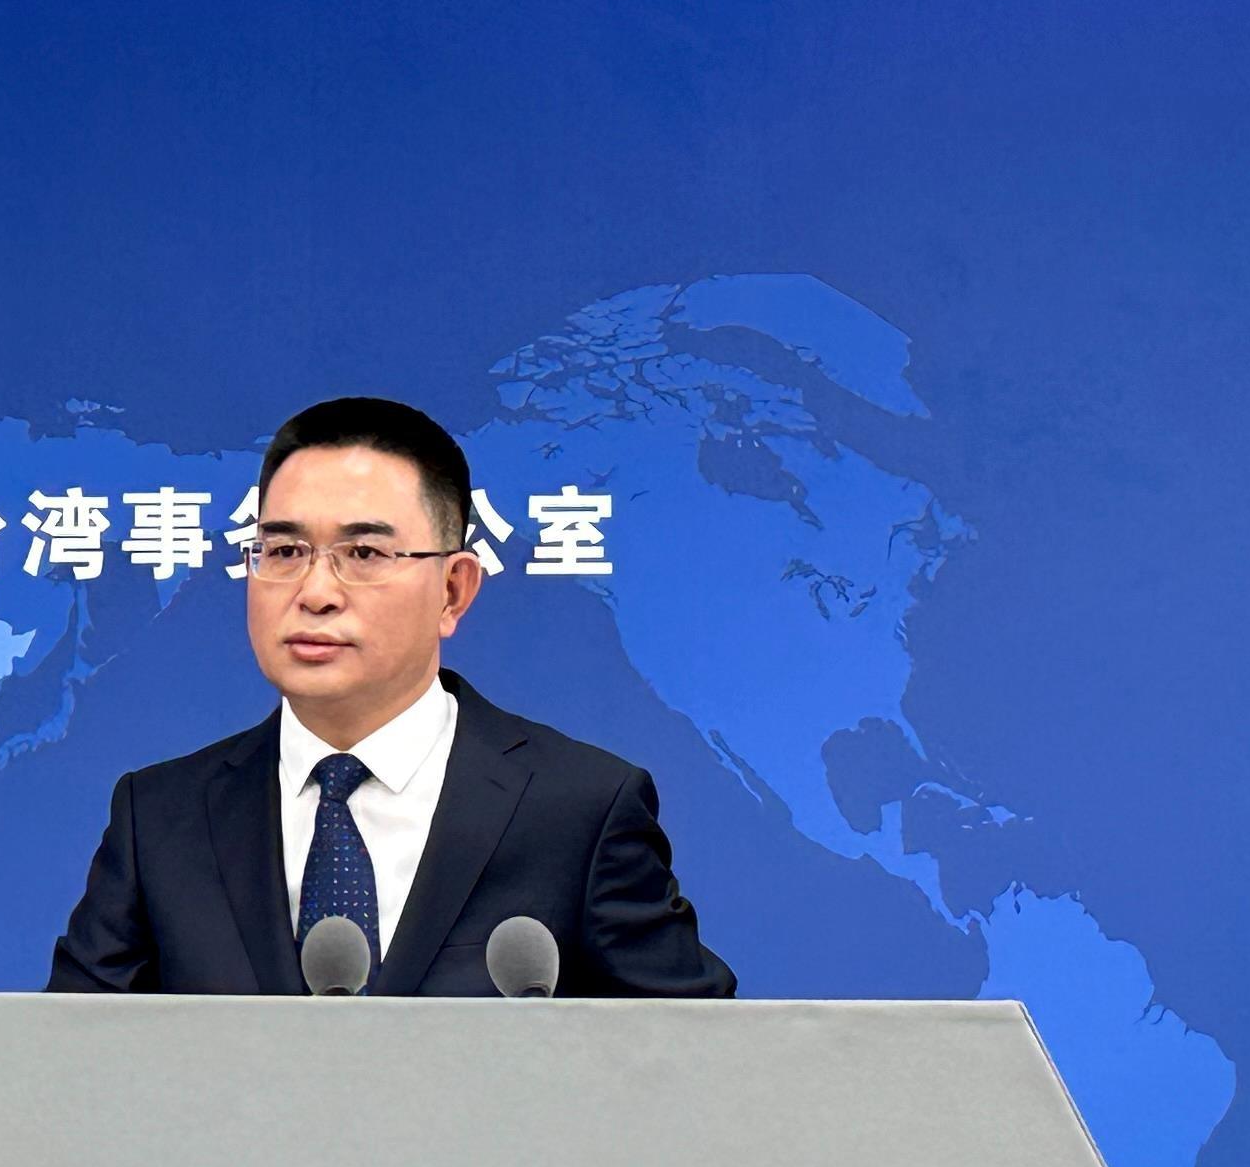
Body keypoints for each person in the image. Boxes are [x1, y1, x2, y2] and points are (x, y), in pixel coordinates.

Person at [44, 397, 735, 998]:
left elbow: (698, 1062)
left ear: (453, 590)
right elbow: (61, 1065)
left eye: (364, 554)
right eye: (284, 552)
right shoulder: (160, 818)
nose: (315, 593)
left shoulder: (579, 810)